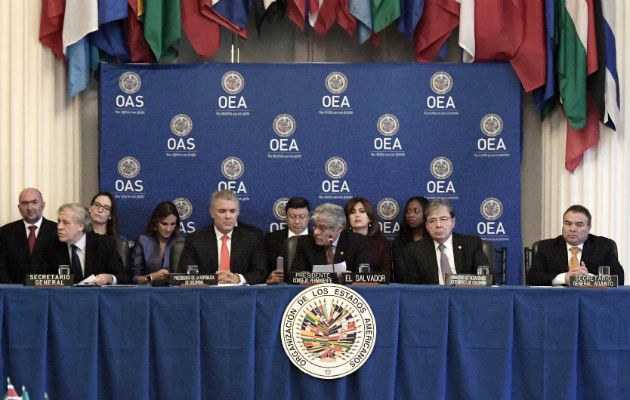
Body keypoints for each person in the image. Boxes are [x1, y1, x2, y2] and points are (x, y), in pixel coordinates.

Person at [178, 190, 266, 284]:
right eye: (222, 211)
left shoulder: (252, 237)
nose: (228, 216)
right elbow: (184, 275)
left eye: (232, 211)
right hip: (208, 294)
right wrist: (212, 279)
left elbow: (261, 272)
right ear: (212, 212)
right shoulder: (195, 239)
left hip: (241, 295)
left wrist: (238, 278)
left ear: (238, 213)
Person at [528, 205, 624, 286]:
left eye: (579, 224)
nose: (572, 229)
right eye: (568, 224)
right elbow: (533, 278)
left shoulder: (604, 246)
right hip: (555, 302)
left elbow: (619, 280)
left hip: (592, 302)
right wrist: (565, 278)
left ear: (588, 228)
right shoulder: (547, 247)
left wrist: (588, 279)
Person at [404, 199, 488, 284]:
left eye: (443, 219)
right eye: (432, 221)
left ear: (453, 221)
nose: (438, 225)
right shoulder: (415, 251)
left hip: (466, 295)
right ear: (427, 226)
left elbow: (485, 280)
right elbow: (412, 289)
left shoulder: (471, 244)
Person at [46, 203, 129, 285]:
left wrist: (110, 278)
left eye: (66, 223)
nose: (59, 227)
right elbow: (42, 278)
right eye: (59, 221)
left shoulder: (104, 244)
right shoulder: (52, 245)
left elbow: (124, 277)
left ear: (81, 226)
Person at [0, 188, 58, 284]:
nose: (30, 208)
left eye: (34, 202)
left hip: (48, 293)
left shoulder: (57, 231)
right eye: (25, 203)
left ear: (43, 205)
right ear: (19, 207)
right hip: (13, 293)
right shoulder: (5, 232)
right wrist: (13, 290)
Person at [291, 203, 369, 273]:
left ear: (339, 229)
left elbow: (363, 276)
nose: (316, 232)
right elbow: (294, 274)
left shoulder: (357, 242)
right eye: (315, 226)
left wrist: (347, 277)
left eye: (322, 228)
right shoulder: (305, 242)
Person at [130, 201, 184, 285]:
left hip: (176, 293)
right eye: (164, 224)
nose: (168, 229)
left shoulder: (182, 243)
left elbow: (189, 277)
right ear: (155, 222)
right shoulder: (142, 241)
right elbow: (134, 279)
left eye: (172, 224)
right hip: (148, 293)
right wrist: (152, 277)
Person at [264, 197, 311, 284]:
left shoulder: (318, 239)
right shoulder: (271, 239)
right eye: (292, 217)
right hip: (280, 289)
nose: (297, 221)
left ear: (309, 217)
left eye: (302, 217)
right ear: (286, 217)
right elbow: (261, 268)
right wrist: (269, 276)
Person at [344, 197, 391, 276]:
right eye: (352, 212)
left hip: (374, 287)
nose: (357, 215)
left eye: (362, 211)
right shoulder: (342, 242)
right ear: (348, 218)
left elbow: (386, 275)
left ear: (369, 218)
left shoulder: (381, 243)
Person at [392, 196, 428, 282]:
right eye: (408, 211)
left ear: (427, 213)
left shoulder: (433, 240)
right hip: (406, 288)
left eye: (416, 211)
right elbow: (400, 273)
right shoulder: (399, 241)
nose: (411, 215)